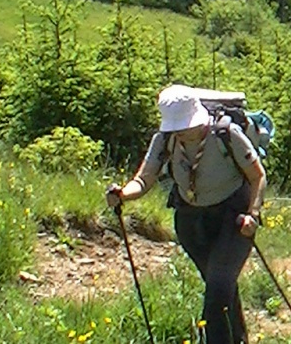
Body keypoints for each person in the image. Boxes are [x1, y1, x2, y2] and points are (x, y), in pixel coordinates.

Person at [105, 85, 265, 344]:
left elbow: (257, 175)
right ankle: (239, 339)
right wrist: (123, 193)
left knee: (218, 287)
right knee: (219, 287)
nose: (180, 131)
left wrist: (253, 215)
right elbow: (144, 179)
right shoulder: (165, 139)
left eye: (183, 125)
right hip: (191, 222)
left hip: (233, 218)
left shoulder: (226, 134)